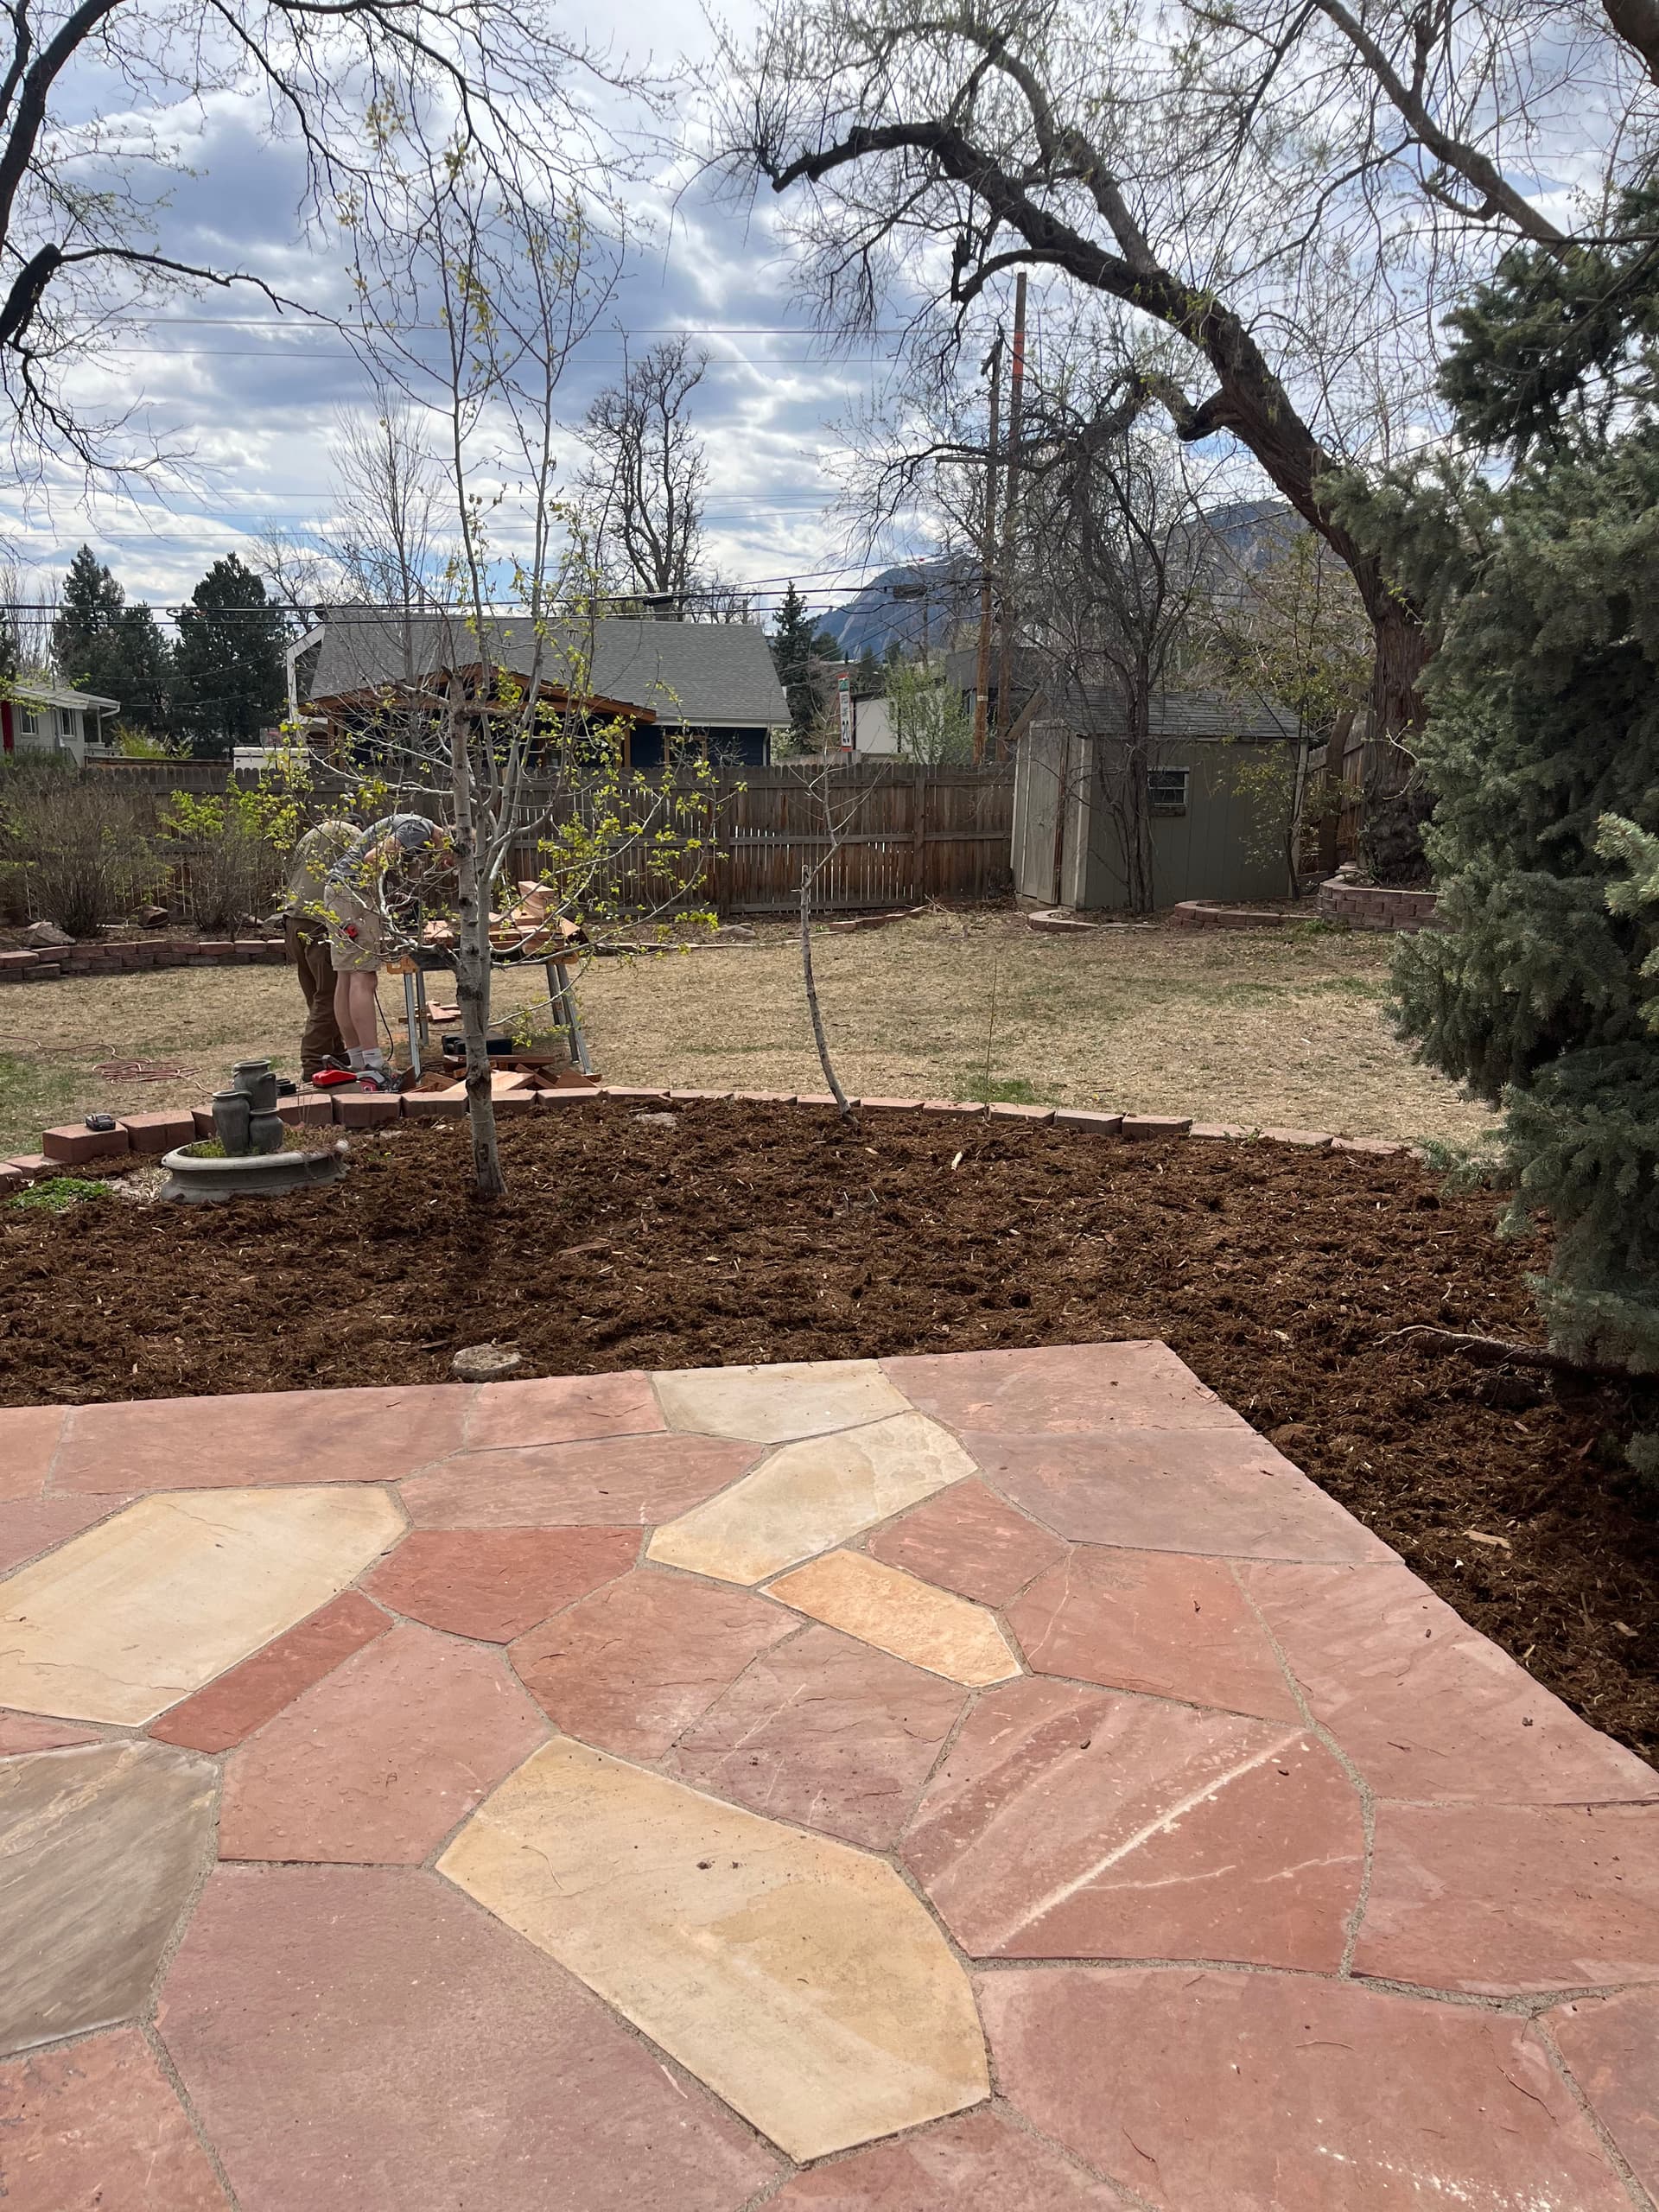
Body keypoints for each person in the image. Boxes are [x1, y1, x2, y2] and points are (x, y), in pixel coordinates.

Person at [321, 814, 451, 1090]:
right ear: (450, 841)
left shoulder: (411, 823)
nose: (446, 863)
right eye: (451, 858)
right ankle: (374, 1064)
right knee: (364, 978)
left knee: (346, 977)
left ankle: (358, 1060)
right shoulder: (420, 827)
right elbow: (372, 859)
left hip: (340, 891)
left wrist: (385, 897)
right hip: (352, 894)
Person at [282, 817, 355, 1079]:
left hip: (294, 920)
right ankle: (313, 1061)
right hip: (321, 923)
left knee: (315, 993)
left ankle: (334, 1053)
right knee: (331, 993)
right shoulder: (352, 835)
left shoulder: (310, 834)